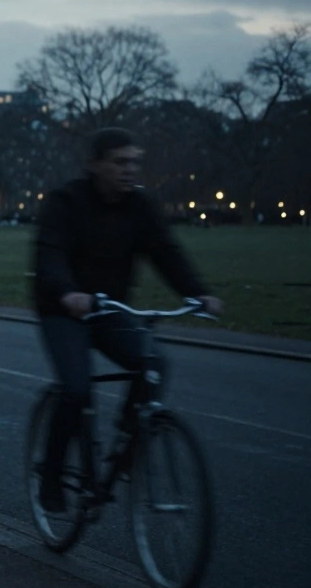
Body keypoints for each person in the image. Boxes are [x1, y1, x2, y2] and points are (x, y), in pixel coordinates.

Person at [32, 127, 223, 512]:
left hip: (111, 310)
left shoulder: (140, 207)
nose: (129, 169)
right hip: (63, 310)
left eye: (135, 161)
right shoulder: (65, 202)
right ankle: (52, 476)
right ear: (95, 165)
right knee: (76, 388)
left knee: (154, 362)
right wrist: (68, 293)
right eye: (119, 162)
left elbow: (166, 253)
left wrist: (197, 293)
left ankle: (128, 439)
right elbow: (49, 255)